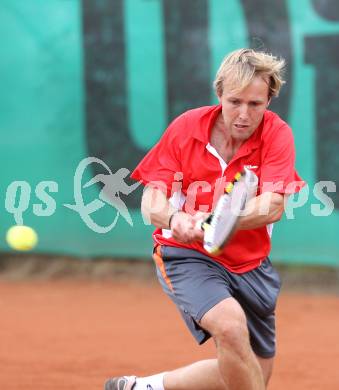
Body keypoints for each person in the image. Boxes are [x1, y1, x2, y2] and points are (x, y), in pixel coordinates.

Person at [104, 48, 304, 390]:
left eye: (254, 104)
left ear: (269, 100)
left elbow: (272, 206)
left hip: (250, 264)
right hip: (187, 255)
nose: (243, 114)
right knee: (229, 327)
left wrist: (221, 221)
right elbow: (152, 202)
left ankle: (143, 388)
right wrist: (176, 218)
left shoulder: (276, 134)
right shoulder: (186, 127)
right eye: (234, 101)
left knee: (249, 367)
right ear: (219, 95)